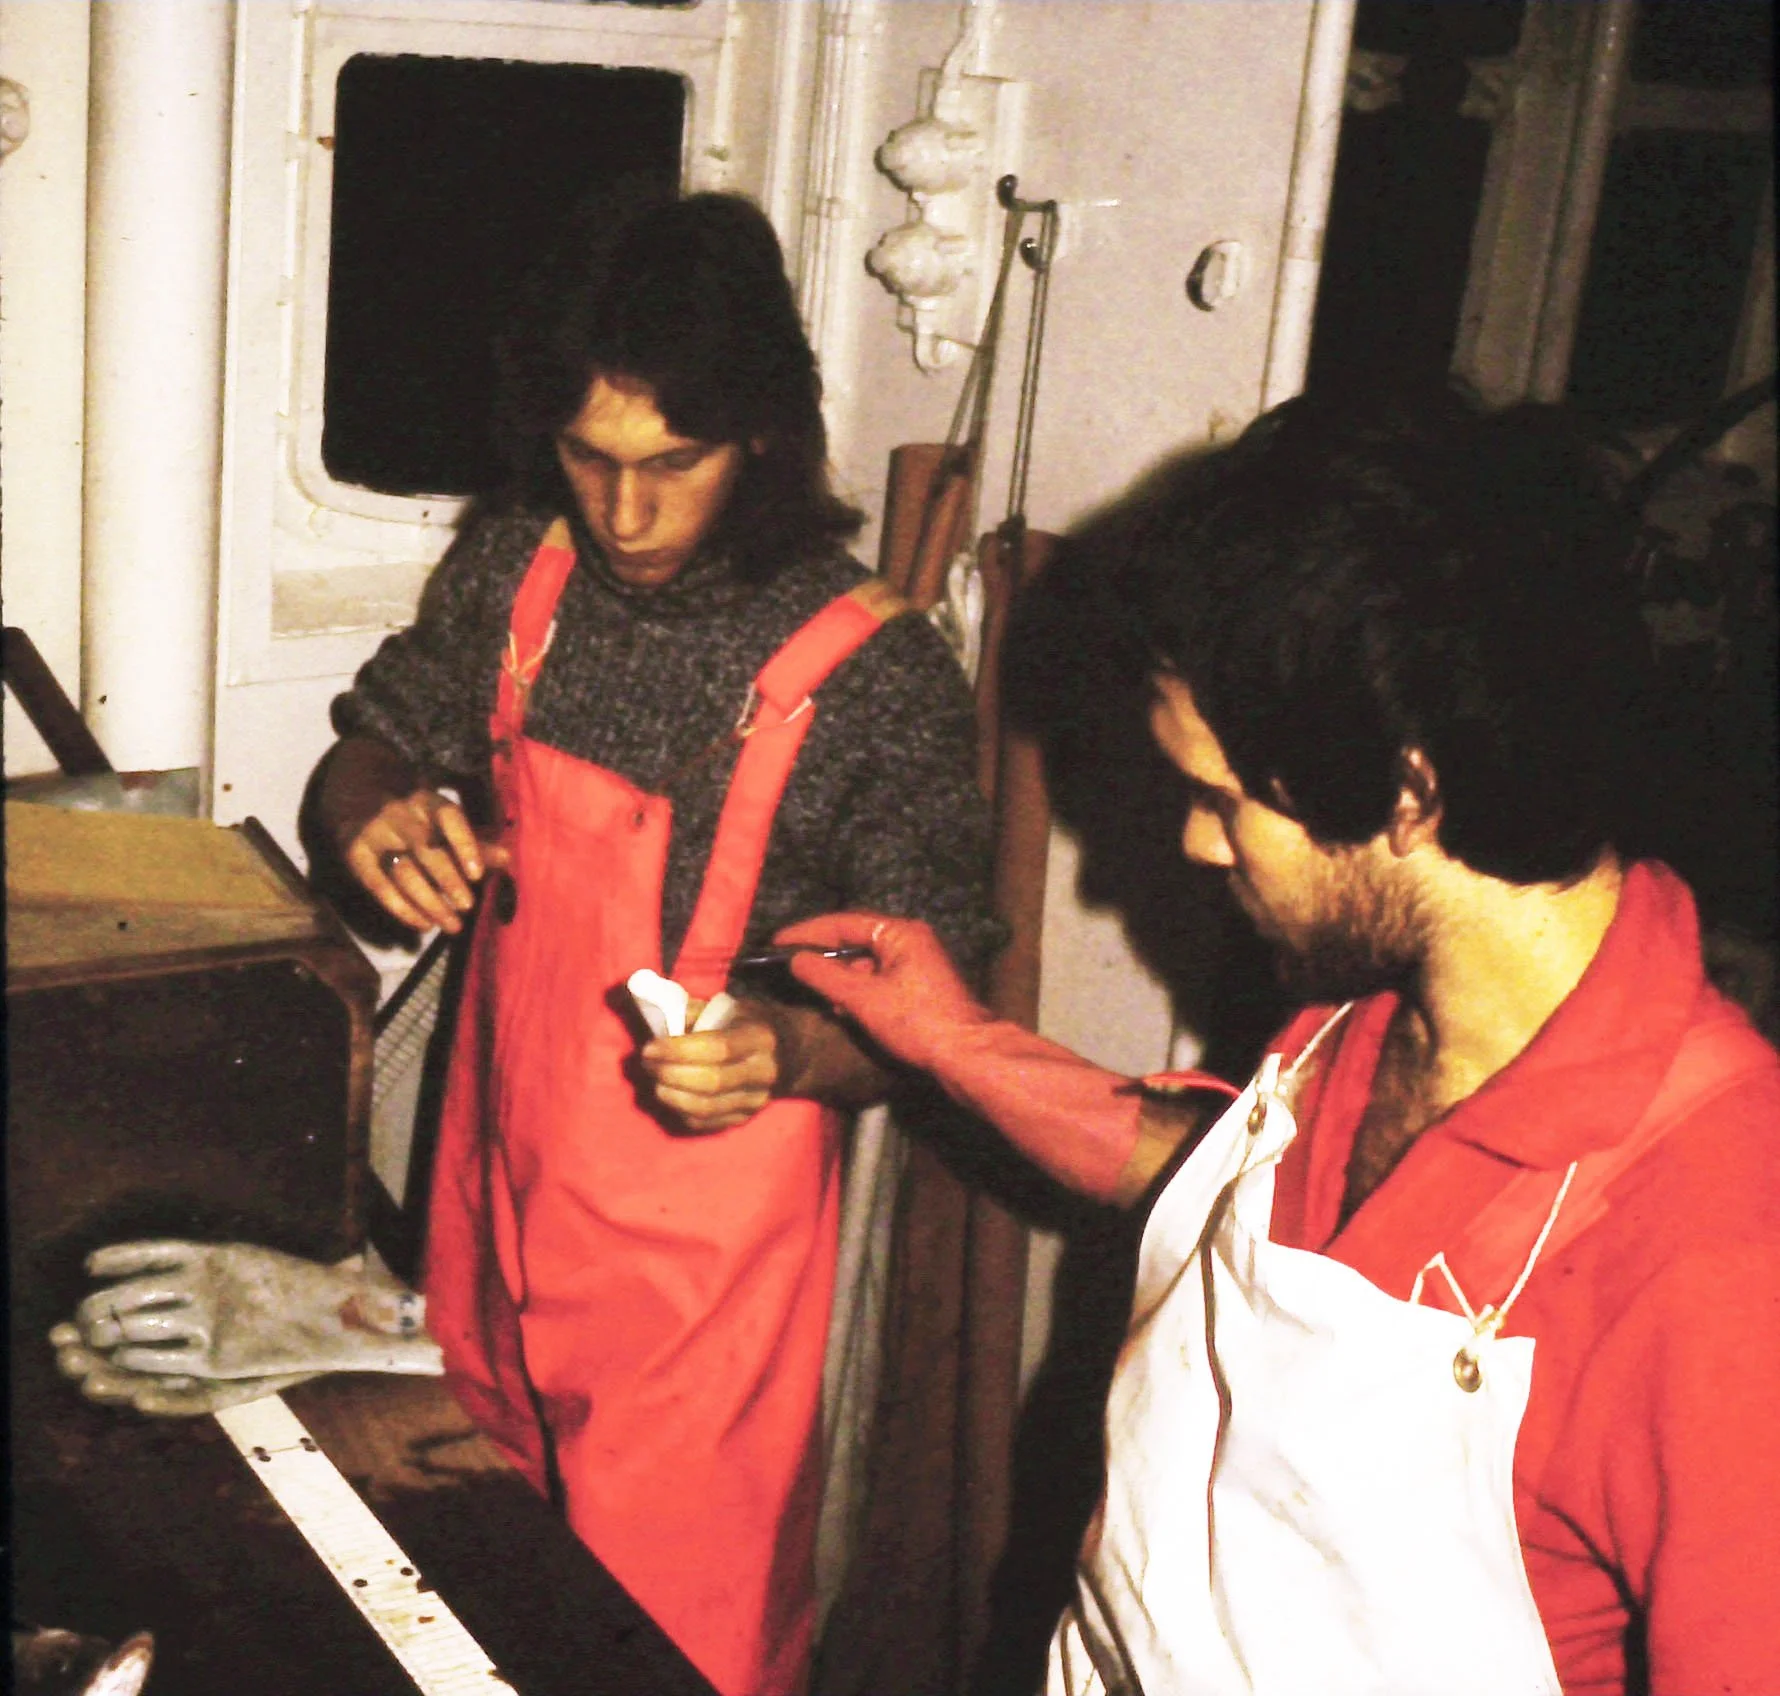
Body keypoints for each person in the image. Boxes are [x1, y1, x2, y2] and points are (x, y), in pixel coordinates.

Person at [780, 391, 1780, 1696]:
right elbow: (1230, 1194)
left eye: (1223, 798)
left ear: (1410, 792)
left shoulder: (1723, 1244)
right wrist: (951, 1040)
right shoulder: (1376, 1008)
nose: (1197, 844)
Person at [310, 190, 995, 1696]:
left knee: (672, 1639)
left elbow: (942, 1001)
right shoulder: (521, 566)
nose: (622, 515)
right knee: (486, 1569)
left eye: (672, 465)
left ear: (762, 437)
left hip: (700, 1253)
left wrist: (793, 1046)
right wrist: (373, 810)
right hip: (493, 1177)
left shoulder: (874, 674)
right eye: (588, 458)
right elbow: (379, 735)